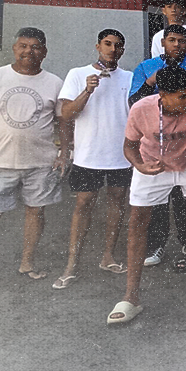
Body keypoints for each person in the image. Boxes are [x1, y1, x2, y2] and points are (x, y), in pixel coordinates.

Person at [111, 65, 186, 324]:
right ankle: (131, 297)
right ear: (162, 95)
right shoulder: (141, 108)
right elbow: (129, 146)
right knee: (137, 221)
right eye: (182, 96)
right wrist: (140, 165)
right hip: (153, 165)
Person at [0, 28, 65, 282]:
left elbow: (63, 121)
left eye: (36, 47)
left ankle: (27, 263)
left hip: (41, 163)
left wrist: (64, 152)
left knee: (36, 212)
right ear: (14, 48)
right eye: (24, 46)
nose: (29, 51)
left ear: (45, 52)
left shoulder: (54, 82)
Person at [51, 29, 133, 289]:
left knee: (117, 202)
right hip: (88, 155)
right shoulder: (78, 74)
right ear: (98, 46)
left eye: (117, 45)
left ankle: (108, 257)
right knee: (83, 204)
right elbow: (66, 114)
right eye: (107, 44)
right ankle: (71, 265)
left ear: (122, 50)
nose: (112, 49)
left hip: (120, 155)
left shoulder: (130, 77)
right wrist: (87, 91)